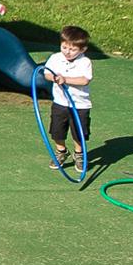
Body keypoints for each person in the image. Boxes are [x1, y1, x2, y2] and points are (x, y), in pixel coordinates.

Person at [41, 25, 94, 169]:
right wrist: (53, 77)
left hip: (80, 105)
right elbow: (46, 74)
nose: (67, 52)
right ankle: (61, 151)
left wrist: (65, 79)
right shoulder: (55, 58)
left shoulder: (85, 62)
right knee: (57, 130)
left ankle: (79, 154)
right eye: (64, 47)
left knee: (78, 132)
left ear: (82, 50)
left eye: (72, 49)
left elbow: (85, 80)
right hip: (60, 102)